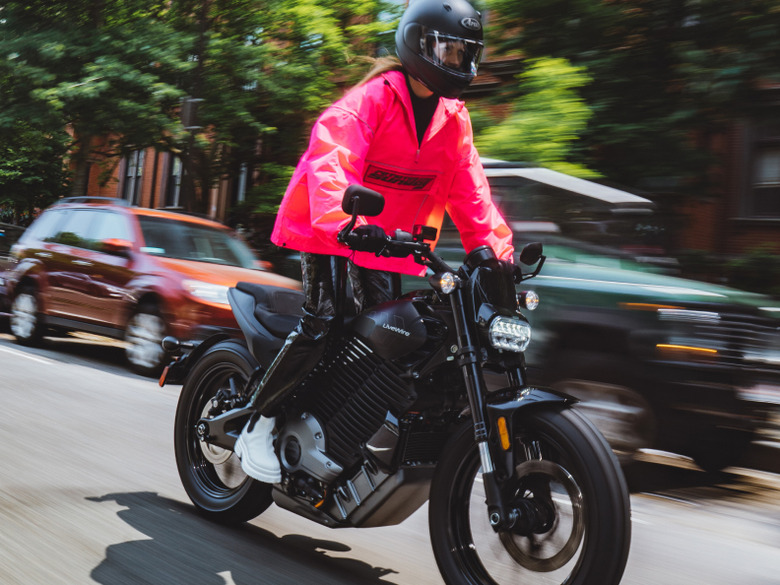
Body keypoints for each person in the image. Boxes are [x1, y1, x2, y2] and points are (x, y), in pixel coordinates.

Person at [234, 0, 514, 483]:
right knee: (324, 321)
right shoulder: (372, 100)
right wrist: (343, 217)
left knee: (392, 340)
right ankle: (256, 421)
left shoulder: (455, 119)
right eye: (448, 51)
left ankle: (345, 430)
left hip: (393, 242)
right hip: (333, 228)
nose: (458, 64)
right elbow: (331, 157)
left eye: (465, 54)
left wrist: (496, 257)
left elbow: (472, 195)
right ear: (418, 43)